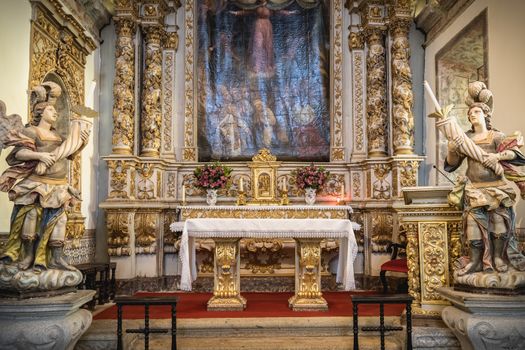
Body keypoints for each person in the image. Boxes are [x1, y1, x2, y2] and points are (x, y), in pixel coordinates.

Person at [0, 82, 90, 271]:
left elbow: (70, 153)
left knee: (61, 220)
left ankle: (55, 258)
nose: (55, 113)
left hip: (58, 186)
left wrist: (82, 140)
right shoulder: (31, 131)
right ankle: (27, 256)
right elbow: (18, 154)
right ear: (40, 112)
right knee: (31, 216)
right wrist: (39, 155)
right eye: (51, 110)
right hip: (37, 184)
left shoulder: (57, 137)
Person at [444, 81, 525, 276]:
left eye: (476, 112)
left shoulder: (496, 135)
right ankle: (474, 261)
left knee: (498, 225)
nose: (472, 115)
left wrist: (496, 156)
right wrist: (451, 150)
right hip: (475, 190)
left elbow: (514, 153)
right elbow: (452, 164)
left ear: (486, 114)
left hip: (496, 187)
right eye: (470, 113)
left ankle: (497, 257)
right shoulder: (465, 139)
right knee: (472, 227)